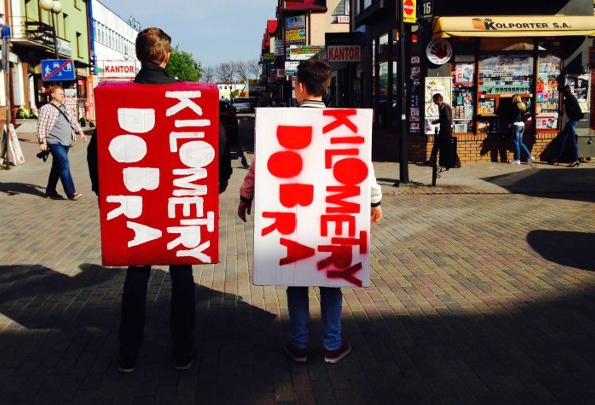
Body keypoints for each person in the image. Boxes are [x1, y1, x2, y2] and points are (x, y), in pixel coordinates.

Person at [86, 27, 232, 374]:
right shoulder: (191, 99)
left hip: (137, 202)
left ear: (140, 56)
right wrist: (217, 183)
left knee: (137, 274)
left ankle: (128, 353)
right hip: (181, 201)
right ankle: (182, 351)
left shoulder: (116, 99)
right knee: (181, 274)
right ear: (166, 56)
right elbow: (217, 140)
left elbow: (97, 153)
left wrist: (104, 193)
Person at [237, 59, 383, 364]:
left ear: (301, 86)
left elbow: (259, 165)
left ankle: (299, 344)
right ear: (326, 86)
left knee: (297, 278)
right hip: (332, 214)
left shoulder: (281, 123)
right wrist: (374, 201)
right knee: (331, 280)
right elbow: (362, 169)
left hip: (295, 216)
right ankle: (332, 345)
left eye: (294, 85)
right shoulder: (344, 124)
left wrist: (245, 196)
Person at [36, 85, 86, 199]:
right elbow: (41, 126)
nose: (62, 96)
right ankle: (71, 193)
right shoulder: (46, 108)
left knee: (57, 167)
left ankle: (50, 190)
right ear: (53, 95)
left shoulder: (65, 107)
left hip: (65, 142)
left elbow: (73, 120)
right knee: (64, 165)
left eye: (63, 94)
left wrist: (81, 132)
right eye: (60, 94)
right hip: (54, 141)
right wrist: (42, 142)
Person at [549, 85, 583, 167]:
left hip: (571, 122)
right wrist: (561, 113)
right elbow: (568, 111)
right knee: (562, 139)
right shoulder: (568, 99)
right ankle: (557, 157)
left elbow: (577, 110)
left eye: (562, 92)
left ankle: (576, 159)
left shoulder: (571, 98)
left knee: (572, 141)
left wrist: (573, 118)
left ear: (565, 92)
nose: (562, 94)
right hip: (568, 122)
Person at [428, 93, 460, 169]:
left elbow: (447, 119)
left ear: (438, 100)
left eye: (434, 100)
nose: (434, 102)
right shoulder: (441, 107)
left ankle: (457, 162)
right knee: (437, 145)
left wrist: (437, 121)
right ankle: (432, 160)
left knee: (448, 146)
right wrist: (437, 121)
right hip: (444, 129)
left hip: (446, 130)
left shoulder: (444, 107)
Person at [507, 95, 534, 165]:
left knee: (516, 142)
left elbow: (511, 116)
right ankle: (530, 156)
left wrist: (510, 122)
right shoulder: (523, 106)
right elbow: (525, 115)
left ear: (514, 99)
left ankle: (517, 160)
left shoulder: (514, 106)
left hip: (516, 125)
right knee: (520, 142)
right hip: (522, 125)